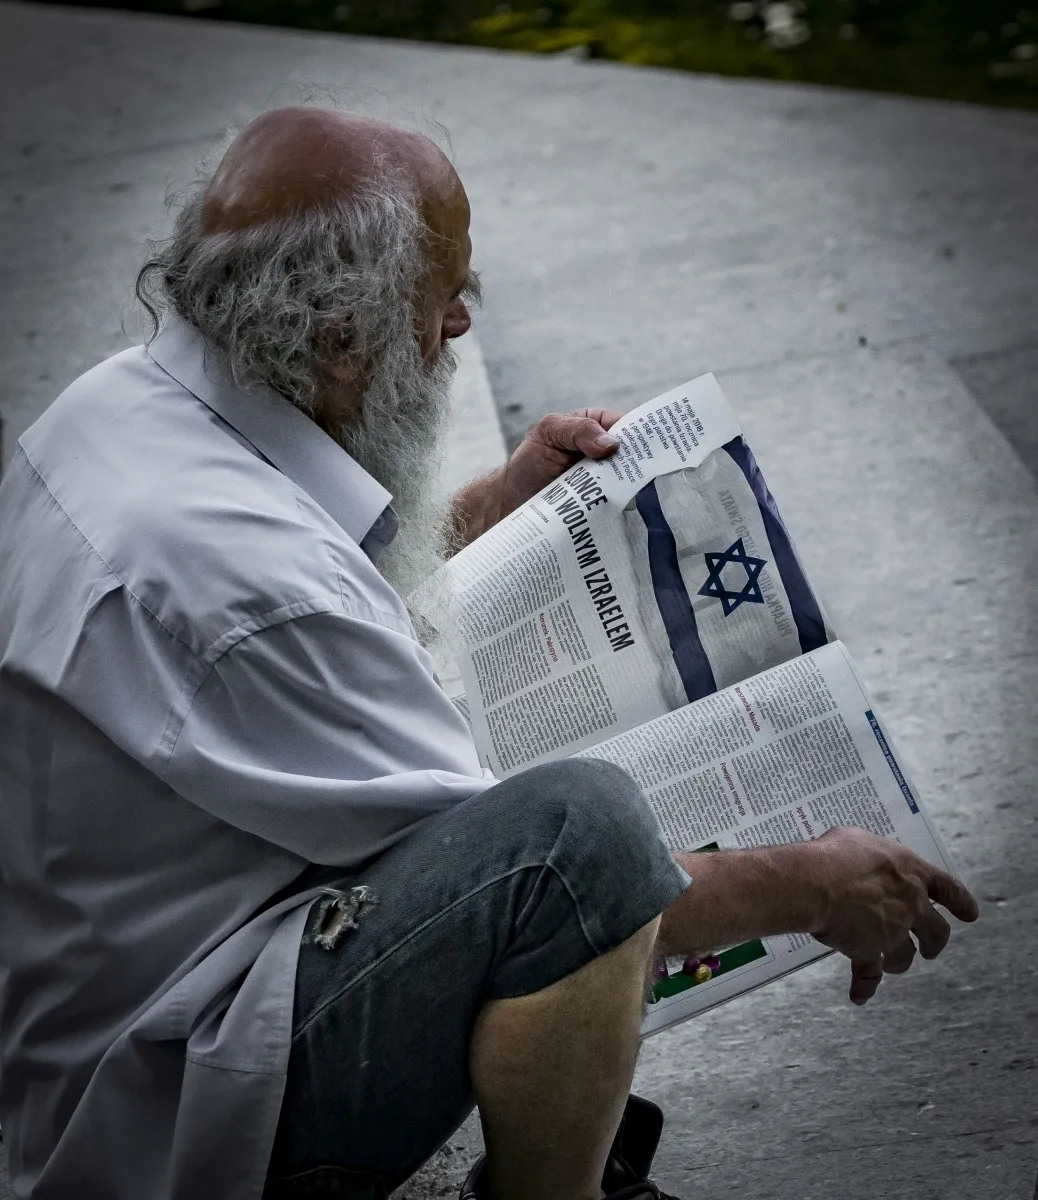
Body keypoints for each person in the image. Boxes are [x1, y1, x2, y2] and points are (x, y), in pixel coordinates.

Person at [0, 106, 979, 1200]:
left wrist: (492, 509)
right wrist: (810, 885)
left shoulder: (121, 409)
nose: (460, 324)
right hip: (171, 1112)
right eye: (439, 298)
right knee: (585, 840)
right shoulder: (243, 575)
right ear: (338, 336)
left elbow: (309, 583)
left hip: (105, 1015)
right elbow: (541, 881)